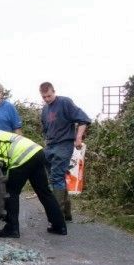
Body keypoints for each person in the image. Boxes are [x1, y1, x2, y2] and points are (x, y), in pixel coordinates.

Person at [0, 129, 67, 237]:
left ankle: (12, 229)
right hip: (37, 151)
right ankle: (59, 226)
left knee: (11, 191)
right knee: (44, 191)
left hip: (22, 156)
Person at [39, 82, 91, 221]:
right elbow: (45, 129)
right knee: (56, 178)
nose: (47, 99)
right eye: (44, 97)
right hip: (50, 146)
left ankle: (57, 216)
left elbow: (83, 120)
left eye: (49, 96)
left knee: (56, 177)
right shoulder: (44, 109)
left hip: (64, 145)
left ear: (54, 91)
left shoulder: (65, 102)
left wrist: (78, 137)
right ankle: (67, 212)